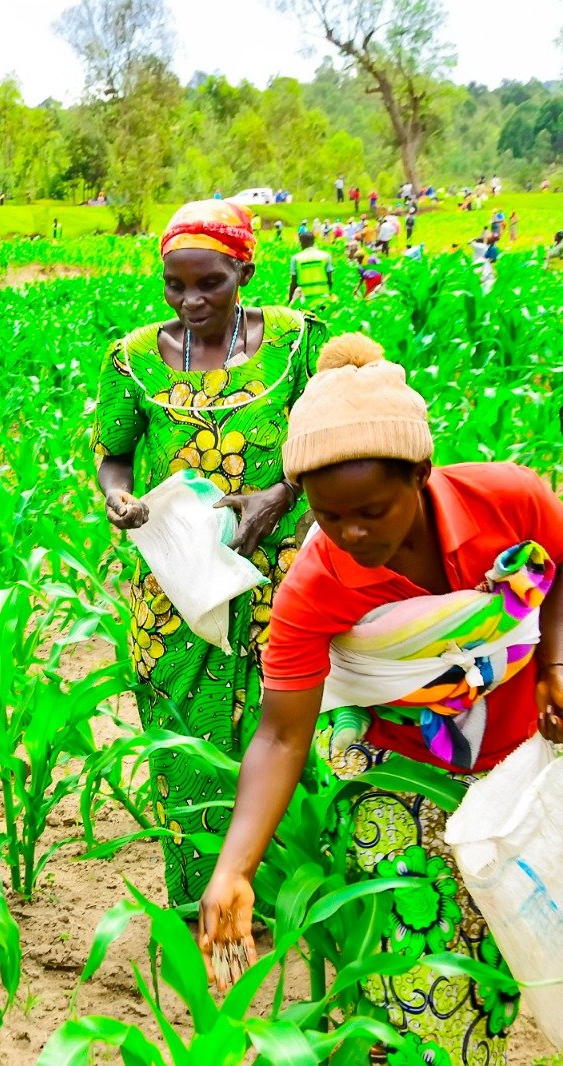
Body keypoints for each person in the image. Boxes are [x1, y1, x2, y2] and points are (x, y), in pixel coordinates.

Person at [199, 335, 563, 1064]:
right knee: (428, 989)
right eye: (330, 516)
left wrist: (554, 660)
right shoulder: (315, 586)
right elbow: (279, 736)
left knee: (513, 958)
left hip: (525, 758)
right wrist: (234, 867)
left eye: (372, 510)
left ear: (421, 475)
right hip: (401, 772)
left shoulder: (509, 498)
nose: (352, 534)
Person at [95, 199, 326, 907]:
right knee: (185, 737)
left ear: (245, 272)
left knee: (284, 730)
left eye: (210, 283)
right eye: (175, 284)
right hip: (178, 588)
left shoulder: (297, 342)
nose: (191, 300)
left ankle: (283, 895)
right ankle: (201, 899)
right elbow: (116, 454)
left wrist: (282, 493)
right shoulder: (132, 359)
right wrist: (120, 500)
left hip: (281, 578)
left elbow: (335, 438)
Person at [288, 231, 334, 307]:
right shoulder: (325, 256)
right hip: (323, 298)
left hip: (304, 300)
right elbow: (330, 280)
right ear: (313, 241)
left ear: (301, 242)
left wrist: (290, 301)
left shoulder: (296, 258)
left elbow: (293, 282)